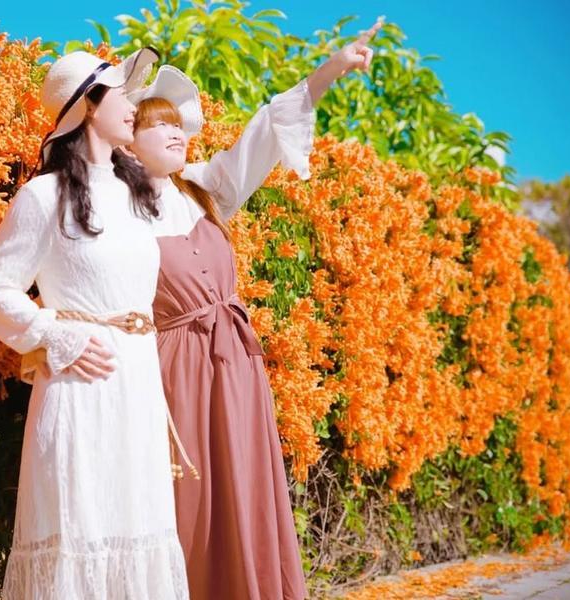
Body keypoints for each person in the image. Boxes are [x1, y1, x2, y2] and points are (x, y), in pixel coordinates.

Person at [125, 19, 383, 599]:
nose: (175, 132)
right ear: (127, 140)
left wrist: (334, 66)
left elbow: (266, 129)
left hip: (237, 364)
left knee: (246, 483)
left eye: (177, 123)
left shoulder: (205, 188)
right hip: (174, 372)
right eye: (157, 124)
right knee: (190, 499)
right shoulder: (119, 212)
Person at [0, 47, 190, 599]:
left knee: (138, 528)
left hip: (137, 390)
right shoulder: (43, 196)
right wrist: (56, 335)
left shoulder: (140, 194)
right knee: (80, 531)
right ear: (88, 107)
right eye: (121, 92)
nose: (133, 104)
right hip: (78, 390)